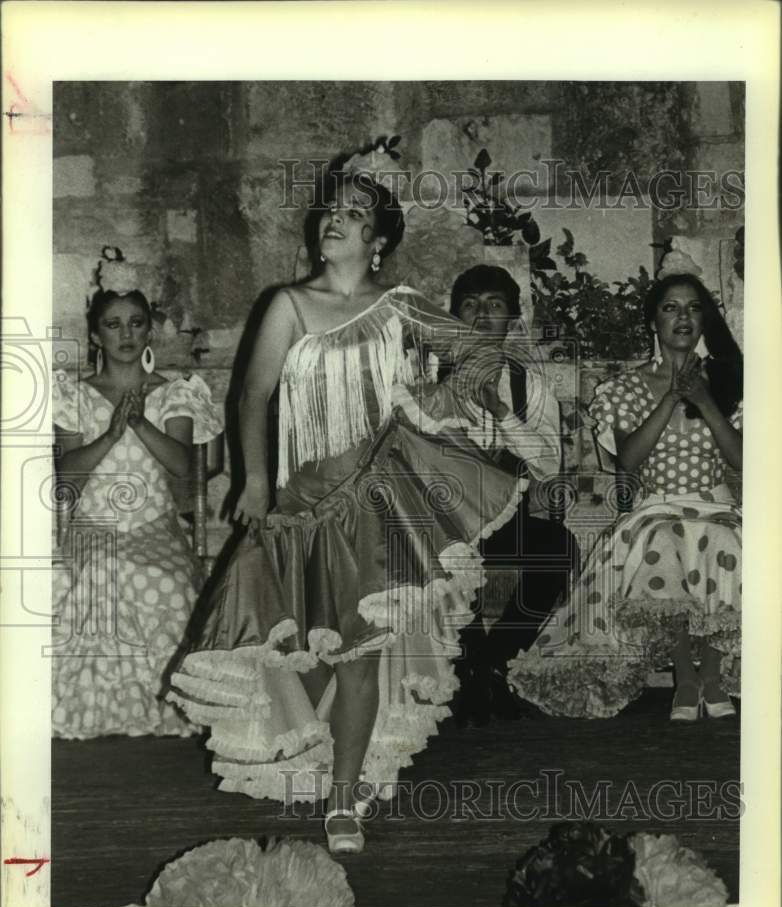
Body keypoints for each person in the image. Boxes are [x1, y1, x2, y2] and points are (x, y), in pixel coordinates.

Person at [167, 142, 528, 853]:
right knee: (299, 644)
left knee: (362, 647)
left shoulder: (400, 309)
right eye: (331, 210)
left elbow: (479, 353)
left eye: (355, 213)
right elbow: (253, 394)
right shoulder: (288, 304)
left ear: (380, 239)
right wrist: (255, 478)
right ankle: (312, 758)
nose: (335, 220)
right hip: (298, 498)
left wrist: (429, 409)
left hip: (374, 493)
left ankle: (343, 801)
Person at [507, 269, 743, 721]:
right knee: (663, 542)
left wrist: (706, 400)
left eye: (694, 308)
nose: (683, 317)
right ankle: (685, 677)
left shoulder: (730, 379)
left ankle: (711, 674)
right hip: (656, 508)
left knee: (726, 542)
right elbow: (628, 462)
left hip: (716, 506)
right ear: (653, 321)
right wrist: (672, 397)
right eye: (670, 308)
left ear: (705, 319)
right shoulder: (625, 388)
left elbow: (741, 460)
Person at [52, 252, 223, 738]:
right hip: (91, 528)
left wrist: (140, 423)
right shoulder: (73, 395)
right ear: (95, 335)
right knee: (100, 571)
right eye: (113, 325)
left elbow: (185, 472)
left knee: (164, 583)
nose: (126, 334)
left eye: (136, 323)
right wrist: (108, 435)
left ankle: (162, 703)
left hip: (154, 528)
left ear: (150, 331)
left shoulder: (175, 393)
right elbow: (66, 478)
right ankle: (97, 704)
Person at [446, 265, 579, 724]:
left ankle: (493, 662)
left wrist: (501, 412)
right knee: (421, 551)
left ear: (513, 319)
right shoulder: (427, 379)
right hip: (445, 523)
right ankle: (471, 667)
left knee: (558, 548)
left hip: (505, 518)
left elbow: (547, 464)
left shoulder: (532, 385)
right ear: (454, 316)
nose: (482, 315)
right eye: (470, 305)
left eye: (494, 305)